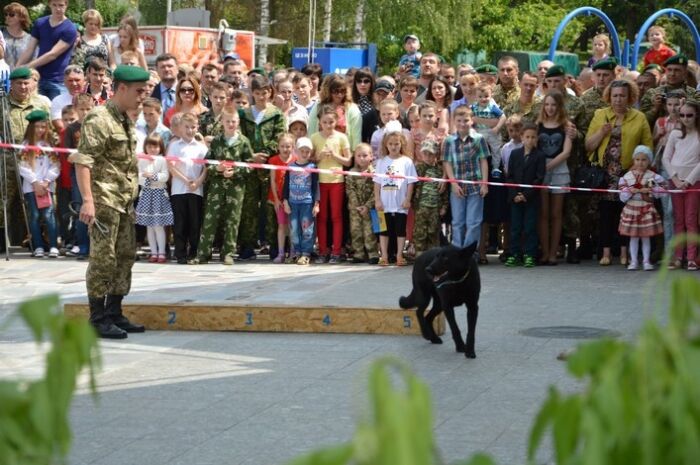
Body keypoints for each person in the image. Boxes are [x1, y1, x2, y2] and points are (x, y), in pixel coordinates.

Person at [69, 65, 151, 339]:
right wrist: (88, 201)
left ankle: (115, 312)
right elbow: (84, 162)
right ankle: (97, 318)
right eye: (139, 91)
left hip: (124, 201)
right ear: (122, 89)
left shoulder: (125, 119)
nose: (143, 96)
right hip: (104, 201)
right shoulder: (99, 118)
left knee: (125, 257)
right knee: (103, 259)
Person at [586, 79, 653, 266]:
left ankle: (625, 254)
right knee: (606, 215)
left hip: (630, 174)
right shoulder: (600, 115)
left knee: (627, 215)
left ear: (630, 97)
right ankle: (605, 253)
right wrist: (601, 132)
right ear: (609, 96)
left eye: (622, 95)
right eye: (615, 95)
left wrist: (637, 168)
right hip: (605, 174)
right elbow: (588, 146)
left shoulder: (639, 117)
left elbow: (648, 147)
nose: (618, 99)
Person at [194, 109, 253, 265]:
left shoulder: (244, 142)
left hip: (236, 188)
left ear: (238, 122)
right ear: (222, 123)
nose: (231, 124)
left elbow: (249, 166)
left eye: (233, 121)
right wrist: (218, 169)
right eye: (227, 121)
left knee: (232, 220)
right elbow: (208, 163)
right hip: (217, 187)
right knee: (210, 219)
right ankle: (203, 254)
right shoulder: (217, 141)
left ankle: (228, 253)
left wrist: (235, 172)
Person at [238, 75, 286, 260]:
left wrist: (264, 154)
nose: (261, 96)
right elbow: (240, 137)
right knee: (249, 207)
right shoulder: (244, 114)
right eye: (257, 93)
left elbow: (279, 137)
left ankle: (274, 245)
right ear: (252, 93)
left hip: (269, 166)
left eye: (265, 92)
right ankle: (247, 246)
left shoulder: (276, 114)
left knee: (271, 207)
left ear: (270, 92)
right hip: (250, 166)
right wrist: (252, 156)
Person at [443, 105, 489, 249]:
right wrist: (453, 183)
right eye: (459, 120)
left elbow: (483, 161)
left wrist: (484, 183)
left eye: (466, 120)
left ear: (471, 121)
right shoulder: (449, 141)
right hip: (457, 187)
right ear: (454, 121)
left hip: (475, 185)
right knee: (457, 221)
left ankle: (469, 252)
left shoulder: (478, 139)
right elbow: (447, 163)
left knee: (474, 221)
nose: (463, 124)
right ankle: (457, 249)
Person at [311, 104, 353, 263]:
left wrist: (335, 155)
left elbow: (348, 161)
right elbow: (310, 160)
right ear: (320, 122)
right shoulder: (314, 137)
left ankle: (336, 251)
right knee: (321, 217)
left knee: (336, 217)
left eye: (331, 122)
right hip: (320, 182)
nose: (328, 125)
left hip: (337, 181)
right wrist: (319, 157)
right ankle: (323, 250)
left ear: (336, 121)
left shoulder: (342, 137)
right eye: (325, 122)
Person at [662, 100, 700, 270]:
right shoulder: (675, 134)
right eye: (682, 115)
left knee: (691, 220)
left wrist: (688, 181)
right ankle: (678, 257)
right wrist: (675, 179)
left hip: (694, 182)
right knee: (678, 220)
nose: (686, 118)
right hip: (675, 181)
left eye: (689, 115)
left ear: (696, 115)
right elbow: (665, 158)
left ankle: (691, 257)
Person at [536, 91, 572, 265]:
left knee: (556, 214)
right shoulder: (538, 124)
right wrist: (540, 167)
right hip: (540, 172)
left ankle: (553, 252)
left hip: (559, 170)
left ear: (559, 106)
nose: (550, 108)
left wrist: (549, 165)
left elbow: (566, 152)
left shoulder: (566, 126)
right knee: (543, 214)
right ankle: (544, 251)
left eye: (554, 105)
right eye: (547, 104)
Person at [167, 112, 208, 264]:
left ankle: (194, 252)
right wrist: (185, 181)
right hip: (179, 189)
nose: (190, 130)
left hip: (196, 190)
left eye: (193, 127)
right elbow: (171, 166)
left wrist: (198, 182)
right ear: (180, 128)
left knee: (195, 223)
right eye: (186, 127)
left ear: (197, 127)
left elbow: (206, 167)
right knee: (180, 223)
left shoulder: (201, 147)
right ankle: (180, 253)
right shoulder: (174, 146)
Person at [16, 0, 77, 100]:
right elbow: (29, 49)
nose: (58, 9)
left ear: (66, 5)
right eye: (54, 5)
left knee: (56, 114)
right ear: (49, 5)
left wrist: (27, 67)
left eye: (61, 5)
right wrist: (17, 69)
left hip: (58, 81)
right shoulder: (40, 23)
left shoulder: (70, 29)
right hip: (38, 78)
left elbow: (52, 54)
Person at [18, 109, 59, 258]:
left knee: (49, 216)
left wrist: (47, 181)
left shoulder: (49, 145)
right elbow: (23, 167)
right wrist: (35, 182)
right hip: (31, 188)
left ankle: (53, 245)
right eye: (37, 126)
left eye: (43, 126)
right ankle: (38, 246)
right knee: (34, 216)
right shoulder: (25, 145)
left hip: (47, 187)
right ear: (31, 127)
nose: (40, 130)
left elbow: (55, 165)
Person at [374, 128, 417, 266]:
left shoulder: (407, 162)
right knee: (383, 231)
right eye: (391, 144)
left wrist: (407, 199)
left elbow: (411, 183)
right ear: (386, 145)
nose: (393, 147)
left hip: (400, 205)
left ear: (401, 144)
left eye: (396, 144)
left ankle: (399, 255)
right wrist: (377, 199)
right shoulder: (381, 162)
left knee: (400, 230)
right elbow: (377, 183)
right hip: (384, 205)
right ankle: (384, 256)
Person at [505, 122, 546, 267]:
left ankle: (530, 254)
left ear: (537, 139)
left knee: (530, 227)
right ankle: (514, 254)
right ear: (522, 137)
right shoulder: (515, 154)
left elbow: (539, 178)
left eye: (533, 137)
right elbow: (509, 176)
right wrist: (515, 194)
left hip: (531, 199)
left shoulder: (540, 156)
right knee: (515, 227)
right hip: (515, 198)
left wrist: (526, 195)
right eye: (527, 137)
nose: (530, 140)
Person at [618, 146, 665, 271]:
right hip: (632, 208)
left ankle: (646, 261)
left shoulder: (653, 176)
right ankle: (633, 261)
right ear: (633, 160)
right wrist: (630, 191)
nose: (640, 162)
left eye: (644, 160)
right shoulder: (627, 177)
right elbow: (622, 197)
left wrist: (652, 189)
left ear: (649, 161)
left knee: (646, 236)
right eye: (637, 159)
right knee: (633, 237)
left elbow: (662, 193)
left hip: (646, 209)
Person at [63, 94, 94, 259]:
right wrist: (81, 156)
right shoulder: (71, 129)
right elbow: (68, 155)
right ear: (76, 109)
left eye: (88, 109)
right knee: (81, 208)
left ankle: (96, 246)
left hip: (96, 173)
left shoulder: (97, 127)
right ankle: (82, 245)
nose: (85, 112)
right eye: (82, 109)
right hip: (78, 175)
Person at [135, 135, 173, 263]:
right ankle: (153, 252)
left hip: (159, 194)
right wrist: (146, 178)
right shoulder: (142, 160)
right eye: (149, 146)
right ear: (145, 147)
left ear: (160, 147)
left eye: (155, 146)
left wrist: (153, 176)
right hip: (146, 194)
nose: (152, 149)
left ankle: (161, 252)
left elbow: (165, 176)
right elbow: (139, 176)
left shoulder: (162, 160)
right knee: (149, 226)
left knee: (158, 225)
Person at [283, 137, 320, 265]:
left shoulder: (312, 167)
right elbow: (286, 184)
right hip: (293, 203)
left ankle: (306, 253)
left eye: (307, 151)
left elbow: (316, 186)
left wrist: (316, 203)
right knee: (294, 228)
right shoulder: (290, 167)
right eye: (302, 151)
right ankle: (297, 252)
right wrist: (285, 201)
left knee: (307, 228)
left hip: (307, 203)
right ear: (296, 151)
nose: (304, 154)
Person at [640, 54, 698, 128]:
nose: (672, 74)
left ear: (685, 72)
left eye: (677, 70)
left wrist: (686, 107)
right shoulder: (652, 93)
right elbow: (642, 123)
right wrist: (655, 108)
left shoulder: (693, 94)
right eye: (669, 70)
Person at [308, 74, 362, 151]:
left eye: (343, 91)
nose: (340, 95)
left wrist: (355, 157)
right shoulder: (318, 107)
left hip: (344, 156)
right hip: (321, 154)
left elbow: (356, 137)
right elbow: (311, 132)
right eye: (336, 91)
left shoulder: (352, 109)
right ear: (328, 90)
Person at [412, 140, 447, 256]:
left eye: (430, 154)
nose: (427, 157)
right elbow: (412, 186)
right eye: (425, 154)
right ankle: (420, 255)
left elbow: (445, 191)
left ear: (436, 154)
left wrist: (444, 206)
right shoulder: (418, 168)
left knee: (434, 231)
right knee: (420, 232)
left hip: (435, 207)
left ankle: (433, 255)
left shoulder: (440, 170)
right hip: (421, 206)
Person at [346, 143, 379, 264]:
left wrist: (367, 206)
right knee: (356, 231)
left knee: (370, 231)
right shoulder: (351, 172)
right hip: (355, 209)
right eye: (359, 155)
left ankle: (373, 254)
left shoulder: (375, 172)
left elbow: (376, 192)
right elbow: (350, 190)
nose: (362, 158)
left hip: (371, 209)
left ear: (371, 156)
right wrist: (357, 206)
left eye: (365, 155)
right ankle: (358, 253)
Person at [268, 133, 296, 263]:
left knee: (292, 226)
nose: (285, 149)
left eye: (288, 146)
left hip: (293, 200)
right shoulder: (274, 160)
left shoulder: (296, 160)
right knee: (281, 225)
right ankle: (280, 253)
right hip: (278, 199)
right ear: (278, 147)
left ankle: (292, 252)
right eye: (283, 146)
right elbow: (273, 180)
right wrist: (276, 199)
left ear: (293, 147)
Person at [471, 83, 506, 166]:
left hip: (491, 131)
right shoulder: (474, 107)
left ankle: (496, 167)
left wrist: (497, 127)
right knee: (475, 148)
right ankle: (476, 165)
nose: (483, 99)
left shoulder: (492, 107)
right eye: (480, 97)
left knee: (496, 149)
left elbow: (503, 117)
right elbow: (469, 117)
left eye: (486, 96)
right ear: (476, 97)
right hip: (479, 131)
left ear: (491, 96)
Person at [49, 65, 85, 131]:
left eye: (77, 80)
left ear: (84, 80)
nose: (74, 83)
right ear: (64, 82)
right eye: (70, 80)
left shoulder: (91, 98)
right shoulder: (57, 100)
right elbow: (58, 123)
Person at [1, 3, 34, 70]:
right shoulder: (1, 33)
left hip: (21, 77)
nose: (7, 17)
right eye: (6, 14)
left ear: (21, 17)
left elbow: (34, 60)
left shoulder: (30, 39)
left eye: (11, 15)